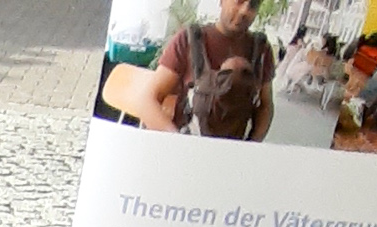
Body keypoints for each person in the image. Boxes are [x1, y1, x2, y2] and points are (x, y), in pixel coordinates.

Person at [103, 0, 279, 140]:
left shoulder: (261, 51)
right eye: (239, 1)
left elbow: (265, 105)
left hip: (233, 153)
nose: (244, 11)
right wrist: (177, 141)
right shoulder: (189, 41)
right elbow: (147, 99)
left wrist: (252, 147)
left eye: (253, 4)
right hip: (187, 143)